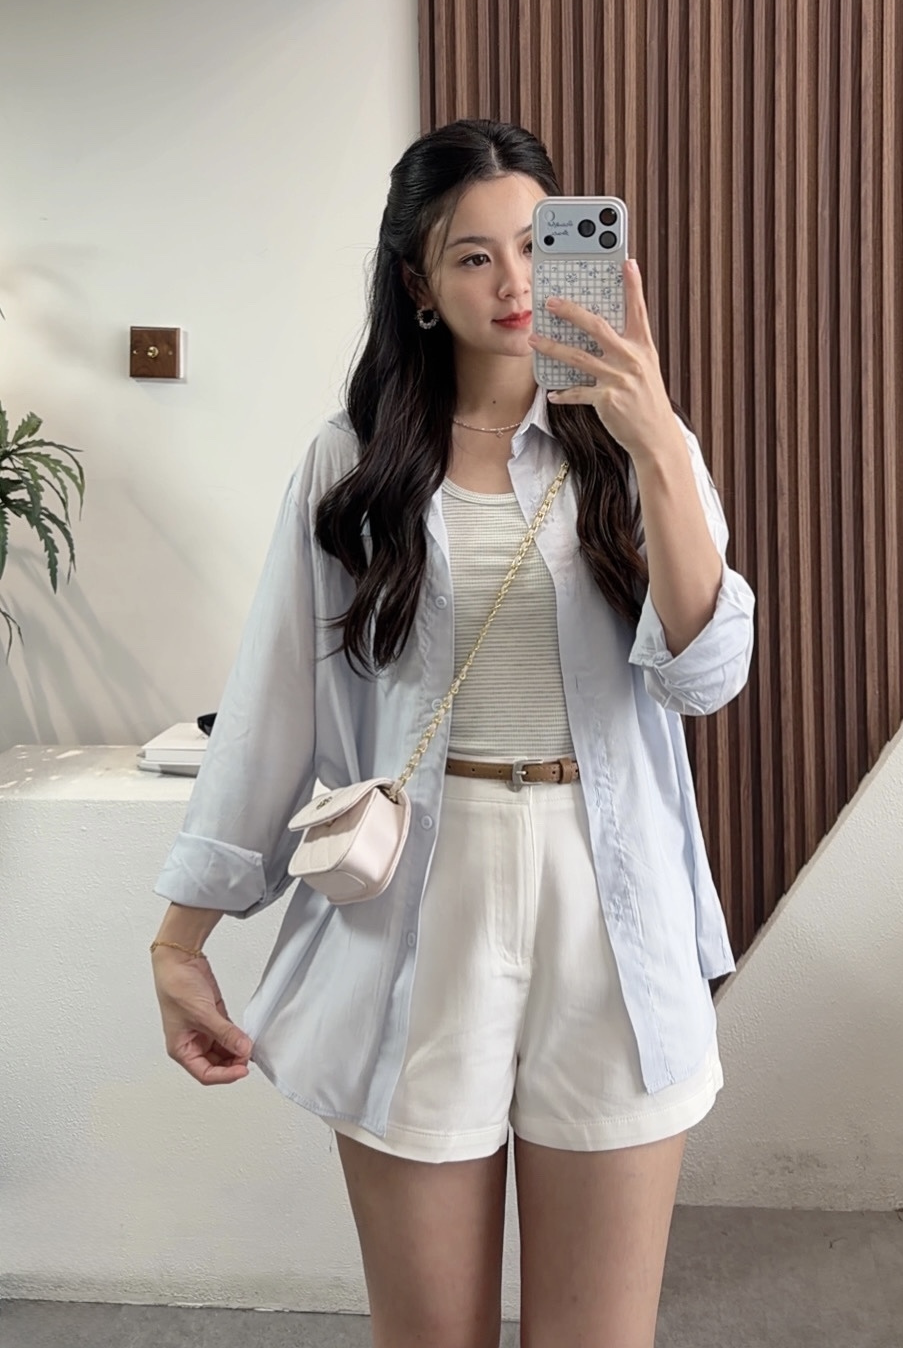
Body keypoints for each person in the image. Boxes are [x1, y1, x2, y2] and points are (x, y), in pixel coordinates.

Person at [150, 117, 755, 1348]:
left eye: (536, 245)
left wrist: (651, 437)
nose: (514, 280)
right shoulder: (353, 461)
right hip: (420, 905)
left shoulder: (644, 445)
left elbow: (708, 674)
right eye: (473, 256)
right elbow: (272, 706)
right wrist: (180, 939)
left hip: (611, 904)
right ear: (420, 286)